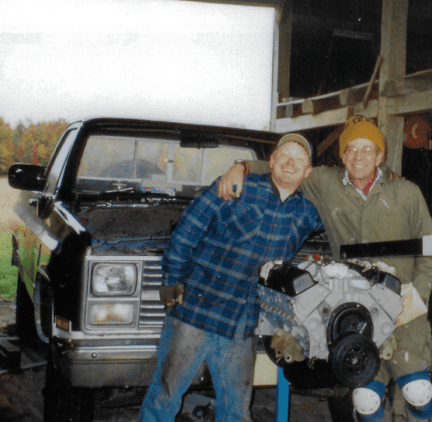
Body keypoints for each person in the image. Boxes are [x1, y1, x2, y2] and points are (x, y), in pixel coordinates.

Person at [218, 116, 432, 422]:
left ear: (380, 155)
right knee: (364, 399)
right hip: (357, 308)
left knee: (417, 390)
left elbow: (431, 248)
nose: (359, 156)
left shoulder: (406, 192)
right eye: (352, 149)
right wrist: (241, 166)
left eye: (368, 149)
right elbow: (286, 168)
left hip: (404, 301)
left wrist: (420, 294)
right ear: (342, 154)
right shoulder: (325, 183)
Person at [138, 133, 323, 422]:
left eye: (299, 160)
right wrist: (171, 278)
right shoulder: (236, 184)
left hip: (241, 323)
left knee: (236, 411)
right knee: (165, 394)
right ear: (271, 161)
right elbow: (189, 227)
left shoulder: (308, 214)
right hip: (194, 310)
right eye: (284, 156)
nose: (290, 163)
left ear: (308, 172)